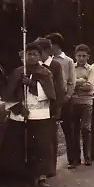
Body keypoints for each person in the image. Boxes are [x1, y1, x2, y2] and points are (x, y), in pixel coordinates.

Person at [0, 43, 56, 187]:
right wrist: (18, 108)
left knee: (40, 146)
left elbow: (49, 94)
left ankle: (40, 177)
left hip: (39, 115)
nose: (31, 57)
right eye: (29, 54)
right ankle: (20, 176)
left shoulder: (45, 73)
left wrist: (31, 84)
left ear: (39, 56)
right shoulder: (18, 72)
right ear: (24, 55)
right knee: (18, 145)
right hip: (20, 115)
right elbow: (9, 94)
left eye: (35, 54)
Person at [35, 37, 65, 177]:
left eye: (39, 51)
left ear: (47, 50)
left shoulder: (56, 66)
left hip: (51, 108)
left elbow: (59, 89)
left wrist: (57, 109)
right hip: (37, 107)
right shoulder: (35, 66)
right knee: (39, 139)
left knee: (51, 138)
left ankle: (51, 168)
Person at [46, 33, 76, 168]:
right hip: (52, 99)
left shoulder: (68, 61)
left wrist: (67, 97)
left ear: (55, 45)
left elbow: (72, 82)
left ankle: (73, 159)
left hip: (65, 99)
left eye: (49, 44)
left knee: (68, 130)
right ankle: (52, 163)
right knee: (51, 132)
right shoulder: (47, 61)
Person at [70, 44, 94, 168]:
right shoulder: (71, 67)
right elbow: (68, 84)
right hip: (73, 102)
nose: (81, 58)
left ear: (88, 57)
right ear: (75, 56)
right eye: (79, 56)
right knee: (74, 130)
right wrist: (81, 81)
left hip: (86, 102)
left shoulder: (91, 69)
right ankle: (75, 158)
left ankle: (88, 157)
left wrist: (76, 83)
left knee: (86, 129)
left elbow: (90, 86)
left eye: (84, 56)